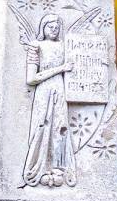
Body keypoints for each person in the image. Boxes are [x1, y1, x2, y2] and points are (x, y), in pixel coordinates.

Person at [21, 14, 76, 188]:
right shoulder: (36, 46)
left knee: (60, 127)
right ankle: (39, 168)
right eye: (50, 27)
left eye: (56, 27)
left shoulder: (64, 45)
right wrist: (60, 68)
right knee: (42, 126)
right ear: (43, 28)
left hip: (60, 90)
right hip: (44, 91)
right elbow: (31, 79)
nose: (54, 30)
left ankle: (58, 168)